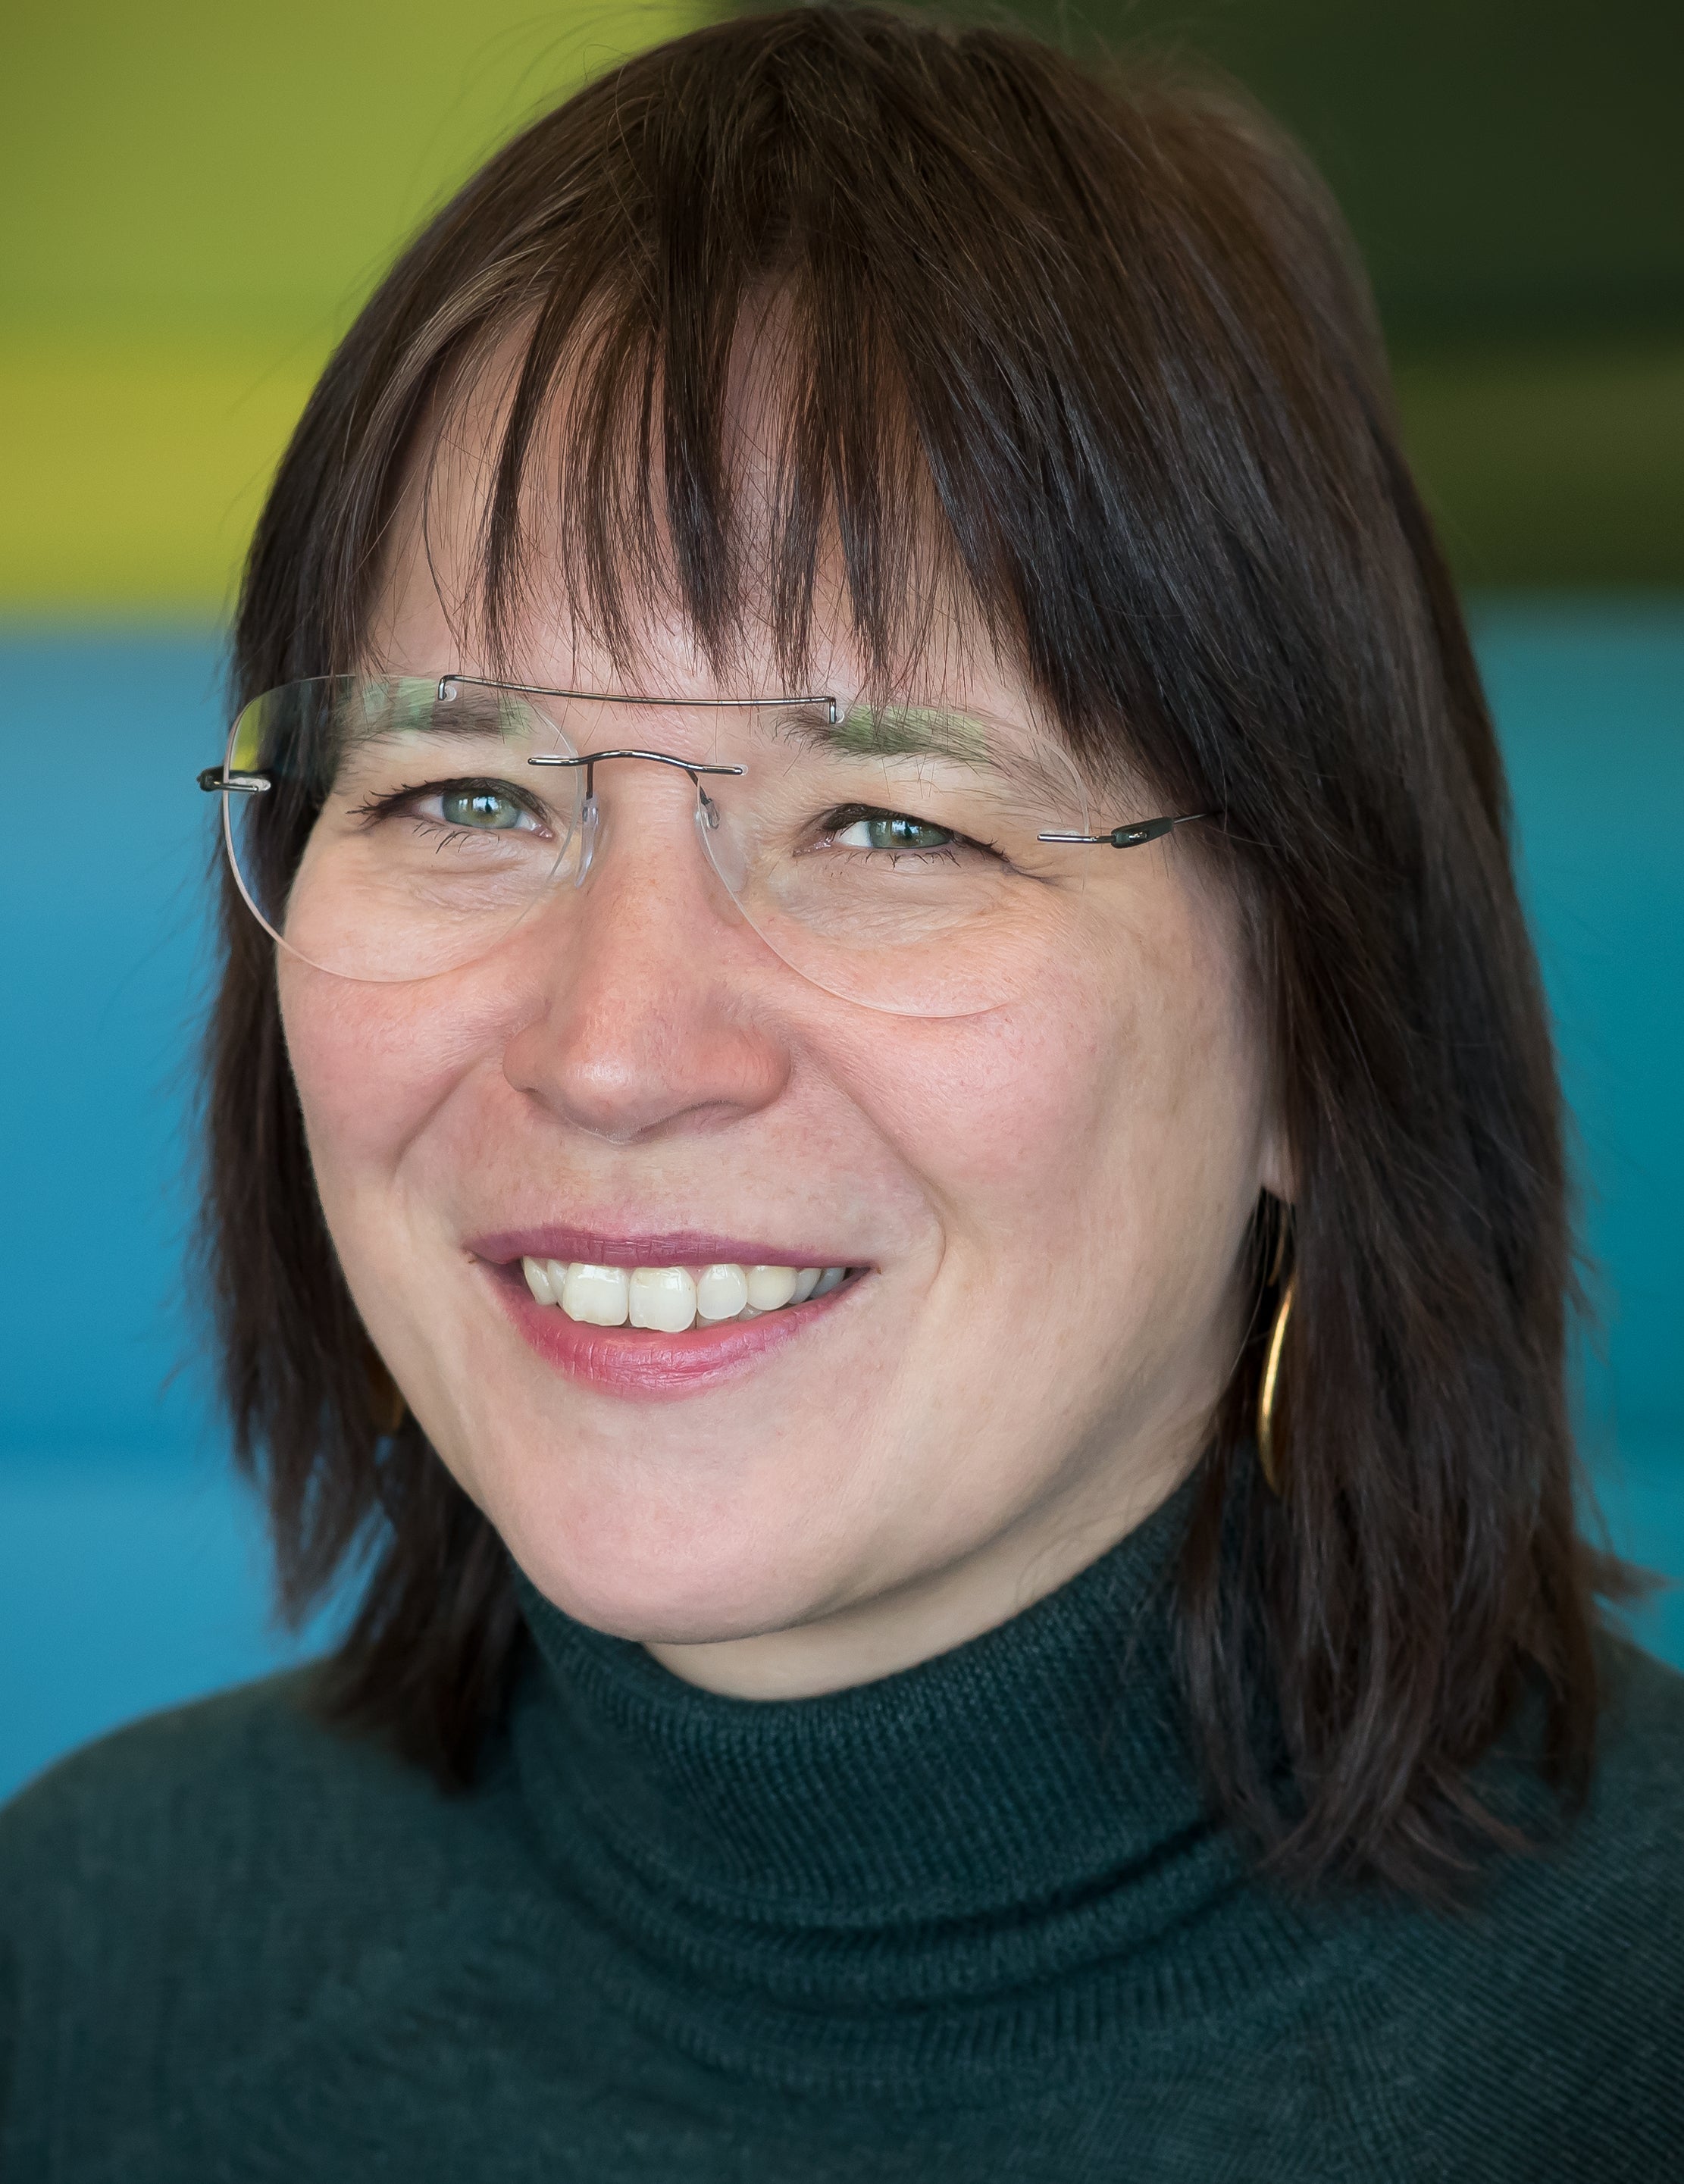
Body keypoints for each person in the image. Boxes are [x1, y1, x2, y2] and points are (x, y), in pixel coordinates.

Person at [3, 7, 1679, 2176]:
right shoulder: (95, 1973)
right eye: (471, 792)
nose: (610, 1046)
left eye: (892, 827)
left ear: (1320, 1016)